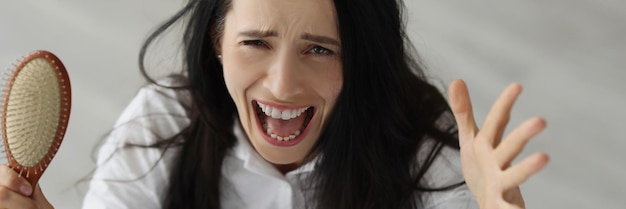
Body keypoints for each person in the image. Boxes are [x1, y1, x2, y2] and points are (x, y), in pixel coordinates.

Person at [0, 0, 549, 208]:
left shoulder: (427, 153)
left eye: (318, 49)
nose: (284, 85)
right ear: (217, 41)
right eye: (256, 43)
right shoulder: (164, 123)